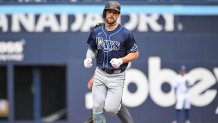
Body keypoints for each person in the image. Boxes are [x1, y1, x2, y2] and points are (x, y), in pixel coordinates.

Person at [83, 1, 139, 123]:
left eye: (115, 12)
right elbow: (92, 49)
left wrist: (121, 60)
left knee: (111, 109)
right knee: (97, 107)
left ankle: (116, 102)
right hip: (100, 73)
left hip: (117, 75)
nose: (112, 15)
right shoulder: (97, 31)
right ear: (105, 13)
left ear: (118, 15)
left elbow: (135, 53)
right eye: (109, 12)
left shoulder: (125, 33)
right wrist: (88, 58)